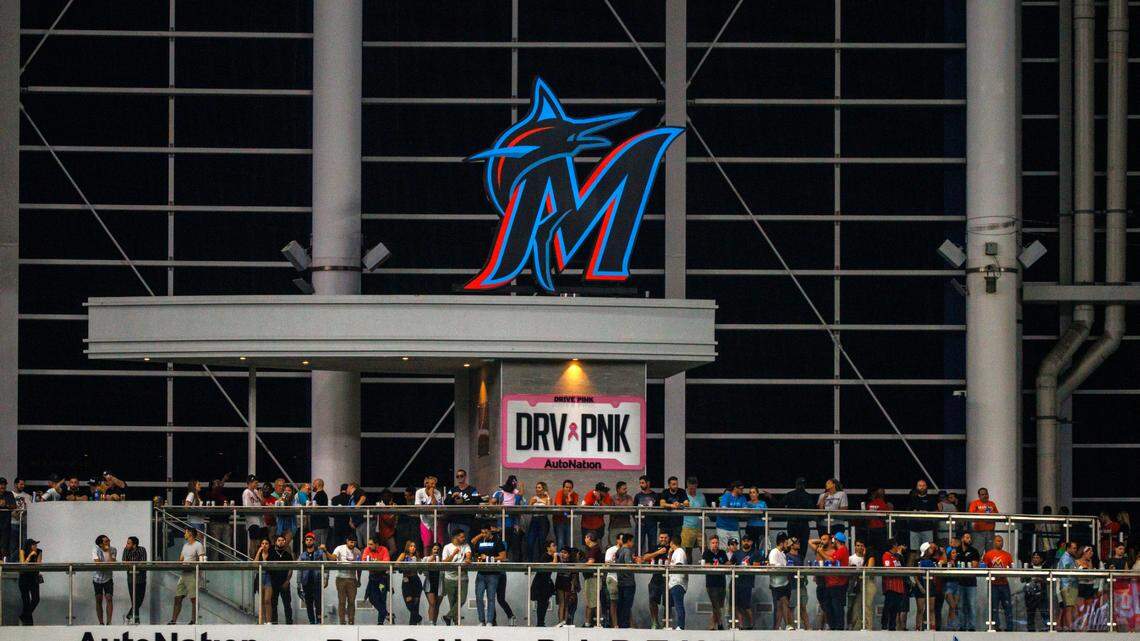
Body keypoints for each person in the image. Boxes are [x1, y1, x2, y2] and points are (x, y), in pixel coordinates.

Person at [809, 531, 849, 630]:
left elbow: (831, 560)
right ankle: (833, 627)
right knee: (828, 607)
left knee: (836, 608)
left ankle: (838, 629)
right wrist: (823, 542)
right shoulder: (833, 549)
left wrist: (821, 550)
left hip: (837, 583)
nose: (822, 541)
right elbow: (810, 542)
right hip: (829, 583)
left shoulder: (839, 550)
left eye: (825, 539)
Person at [470, 522, 507, 626]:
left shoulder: (497, 541)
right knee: (478, 596)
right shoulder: (480, 541)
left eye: (486, 532)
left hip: (493, 573)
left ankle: (490, 621)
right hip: (481, 573)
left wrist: (488, 558)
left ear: (490, 530)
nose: (484, 534)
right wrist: (481, 535)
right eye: (482, 532)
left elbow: (503, 556)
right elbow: (472, 542)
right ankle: (481, 620)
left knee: (491, 598)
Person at [170, 528, 205, 624]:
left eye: (185, 532)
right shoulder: (185, 545)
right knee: (178, 597)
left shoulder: (198, 545)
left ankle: (194, 620)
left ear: (190, 533)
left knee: (193, 598)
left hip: (192, 573)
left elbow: (202, 559)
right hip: (184, 573)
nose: (184, 534)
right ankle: (173, 620)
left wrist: (199, 575)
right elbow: (181, 559)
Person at [980, 534, 1014, 630]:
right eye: (998, 541)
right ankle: (996, 626)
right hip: (993, 584)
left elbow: (1011, 568)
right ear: (994, 542)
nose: (1000, 542)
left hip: (1004, 583)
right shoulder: (988, 554)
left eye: (1001, 541)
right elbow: (984, 567)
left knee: (1007, 606)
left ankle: (1010, 627)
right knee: (993, 607)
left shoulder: (1007, 555)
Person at [641, 530, 672, 628]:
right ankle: (655, 622)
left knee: (668, 603)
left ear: (669, 539)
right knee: (652, 600)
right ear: (659, 538)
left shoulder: (672, 548)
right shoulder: (654, 547)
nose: (663, 539)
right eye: (661, 537)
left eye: (665, 537)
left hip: (668, 579)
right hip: (656, 578)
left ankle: (666, 623)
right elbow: (645, 558)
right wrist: (658, 552)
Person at [730, 534, 762, 629]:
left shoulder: (755, 553)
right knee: (736, 605)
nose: (746, 542)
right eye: (744, 541)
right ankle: (740, 625)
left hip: (747, 582)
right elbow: (730, 564)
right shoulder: (737, 553)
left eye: (748, 541)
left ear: (751, 542)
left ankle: (752, 624)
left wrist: (749, 565)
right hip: (736, 581)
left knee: (746, 606)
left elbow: (758, 565)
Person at [441, 529, 471, 625]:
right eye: (461, 537)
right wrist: (454, 554)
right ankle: (455, 623)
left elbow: (468, 555)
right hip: (450, 578)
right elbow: (444, 562)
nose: (464, 538)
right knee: (452, 602)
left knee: (462, 599)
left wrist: (468, 559)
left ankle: (448, 617)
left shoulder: (465, 546)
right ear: (455, 537)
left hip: (463, 577)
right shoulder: (447, 547)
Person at [331, 534, 362, 624]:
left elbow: (359, 568)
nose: (352, 544)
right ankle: (342, 621)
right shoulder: (339, 548)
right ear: (347, 541)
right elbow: (333, 558)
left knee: (351, 601)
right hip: (341, 577)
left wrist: (358, 579)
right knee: (342, 601)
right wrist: (326, 551)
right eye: (351, 542)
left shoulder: (358, 552)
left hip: (352, 579)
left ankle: (351, 620)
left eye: (354, 542)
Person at [954, 531, 981, 631]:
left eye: (970, 538)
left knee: (971, 605)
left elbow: (975, 565)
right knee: (960, 605)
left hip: (971, 583)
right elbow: (953, 563)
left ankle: (972, 626)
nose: (969, 539)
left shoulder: (974, 551)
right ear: (962, 539)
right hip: (960, 582)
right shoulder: (957, 550)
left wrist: (962, 563)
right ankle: (962, 626)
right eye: (967, 537)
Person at [847, 538, 876, 631]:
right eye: (858, 545)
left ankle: (868, 627)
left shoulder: (869, 558)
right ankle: (856, 627)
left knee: (866, 606)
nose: (860, 548)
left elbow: (869, 570)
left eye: (862, 546)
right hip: (857, 585)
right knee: (855, 607)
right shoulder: (852, 558)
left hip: (867, 584)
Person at [782, 477, 815, 560]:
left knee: (792, 545)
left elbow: (780, 504)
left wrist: (771, 497)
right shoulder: (807, 496)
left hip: (793, 525)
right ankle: (799, 564)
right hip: (802, 526)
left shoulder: (790, 494)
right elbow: (812, 511)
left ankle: (792, 565)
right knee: (802, 547)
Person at [297, 532, 326, 624]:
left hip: (317, 581)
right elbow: (299, 570)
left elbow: (326, 566)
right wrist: (298, 584)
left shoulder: (320, 553)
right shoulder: (302, 555)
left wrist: (326, 578)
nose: (309, 542)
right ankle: (311, 621)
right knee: (308, 604)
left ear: (314, 541)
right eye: (307, 540)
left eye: (310, 540)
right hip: (306, 582)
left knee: (318, 603)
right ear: (305, 542)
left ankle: (319, 620)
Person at [361, 535, 391, 624]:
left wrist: (373, 562)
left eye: (371, 544)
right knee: (372, 598)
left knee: (382, 599)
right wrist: (377, 563)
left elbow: (386, 562)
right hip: (373, 577)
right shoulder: (367, 549)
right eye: (368, 544)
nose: (369, 546)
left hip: (382, 578)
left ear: (377, 544)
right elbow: (363, 561)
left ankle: (380, 623)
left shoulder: (384, 549)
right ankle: (386, 614)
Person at [444, 469, 480, 539]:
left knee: (464, 540)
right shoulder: (452, 490)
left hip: (466, 520)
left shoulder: (472, 490)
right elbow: (446, 503)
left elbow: (475, 503)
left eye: (461, 476)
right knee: (454, 541)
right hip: (454, 520)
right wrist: (452, 497)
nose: (459, 477)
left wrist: (462, 501)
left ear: (465, 477)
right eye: (457, 476)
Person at [267, 534, 295, 624]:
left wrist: (287, 581)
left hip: (285, 583)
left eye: (283, 540)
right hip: (273, 583)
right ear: (276, 542)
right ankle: (274, 623)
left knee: (287, 604)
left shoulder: (288, 555)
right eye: (279, 540)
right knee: (273, 604)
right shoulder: (271, 554)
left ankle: (289, 623)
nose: (281, 542)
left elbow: (291, 569)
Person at [880, 538, 907, 630]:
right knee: (888, 606)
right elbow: (889, 569)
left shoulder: (897, 556)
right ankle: (884, 625)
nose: (898, 547)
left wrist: (900, 555)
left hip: (899, 586)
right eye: (897, 545)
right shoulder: (886, 555)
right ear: (893, 546)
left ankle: (892, 626)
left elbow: (903, 567)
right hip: (891, 586)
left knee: (896, 608)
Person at [907, 479, 938, 558]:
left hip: (927, 528)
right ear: (917, 487)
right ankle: (916, 569)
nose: (922, 487)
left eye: (923, 485)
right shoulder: (912, 499)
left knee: (928, 551)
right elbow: (907, 512)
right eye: (920, 486)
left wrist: (926, 513)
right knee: (915, 552)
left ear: (926, 487)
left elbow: (936, 512)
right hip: (914, 529)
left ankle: (927, 567)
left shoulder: (931, 499)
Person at [396, 539, 424, 624]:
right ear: (408, 547)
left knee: (416, 604)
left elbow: (420, 571)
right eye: (411, 546)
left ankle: (413, 624)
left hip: (415, 579)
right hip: (407, 580)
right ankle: (417, 617)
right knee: (409, 601)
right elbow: (396, 564)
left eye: (414, 546)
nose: (413, 548)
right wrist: (404, 564)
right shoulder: (403, 555)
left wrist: (419, 563)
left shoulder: (417, 556)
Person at [768, 533, 792, 630]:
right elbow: (773, 566)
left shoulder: (783, 554)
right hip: (777, 584)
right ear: (781, 543)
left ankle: (776, 627)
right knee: (784, 603)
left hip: (784, 583)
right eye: (786, 543)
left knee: (779, 608)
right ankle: (788, 625)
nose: (787, 545)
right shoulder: (774, 552)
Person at [581, 530, 605, 626]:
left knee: (594, 601)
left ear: (589, 538)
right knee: (590, 600)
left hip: (593, 578)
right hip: (590, 578)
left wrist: (580, 566)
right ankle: (589, 622)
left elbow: (591, 562)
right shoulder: (591, 549)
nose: (584, 539)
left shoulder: (594, 549)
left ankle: (597, 623)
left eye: (585, 537)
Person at [531, 540, 558, 626]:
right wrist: (555, 556)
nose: (555, 547)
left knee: (545, 603)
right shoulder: (545, 556)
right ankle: (540, 622)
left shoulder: (553, 556)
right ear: (548, 548)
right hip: (540, 583)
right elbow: (553, 565)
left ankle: (541, 621)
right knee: (541, 603)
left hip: (546, 582)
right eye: (553, 545)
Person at [92, 534, 116, 624]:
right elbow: (97, 563)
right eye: (106, 541)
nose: (108, 542)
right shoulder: (95, 549)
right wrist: (106, 565)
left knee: (109, 597)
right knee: (98, 598)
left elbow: (112, 563)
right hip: (97, 578)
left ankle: (109, 622)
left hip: (108, 578)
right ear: (100, 544)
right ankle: (101, 622)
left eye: (109, 540)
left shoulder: (113, 550)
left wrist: (108, 551)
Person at [613, 533, 637, 628]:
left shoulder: (619, 550)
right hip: (628, 582)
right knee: (627, 606)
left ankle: (620, 624)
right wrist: (635, 563)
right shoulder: (627, 551)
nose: (633, 543)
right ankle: (625, 626)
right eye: (632, 541)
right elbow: (629, 565)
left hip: (620, 581)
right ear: (629, 541)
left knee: (621, 605)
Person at [122, 536, 148, 624]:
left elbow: (143, 562)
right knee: (134, 600)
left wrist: (132, 564)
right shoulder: (126, 550)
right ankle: (136, 619)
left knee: (139, 600)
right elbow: (124, 562)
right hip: (131, 578)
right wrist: (134, 564)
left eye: (128, 543)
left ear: (134, 544)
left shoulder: (142, 550)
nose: (126, 545)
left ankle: (128, 616)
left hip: (141, 578)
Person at [414, 476, 443, 552]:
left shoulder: (437, 493)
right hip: (425, 521)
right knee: (427, 544)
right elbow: (417, 507)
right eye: (432, 484)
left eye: (435, 484)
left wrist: (432, 495)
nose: (434, 486)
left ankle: (438, 561)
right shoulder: (419, 492)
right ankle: (426, 561)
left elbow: (438, 508)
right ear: (426, 484)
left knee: (439, 544)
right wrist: (430, 508)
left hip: (435, 520)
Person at [18, 538, 42, 625]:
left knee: (36, 599)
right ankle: (28, 624)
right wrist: (30, 556)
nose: (36, 546)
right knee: (26, 602)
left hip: (33, 577)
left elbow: (39, 565)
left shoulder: (39, 551)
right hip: (24, 577)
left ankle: (24, 616)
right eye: (34, 545)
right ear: (29, 546)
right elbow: (22, 564)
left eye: (36, 545)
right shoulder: (22, 551)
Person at [666, 535, 688, 629]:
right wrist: (670, 555)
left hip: (678, 582)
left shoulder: (679, 551)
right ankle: (678, 625)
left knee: (679, 604)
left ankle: (681, 625)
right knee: (676, 604)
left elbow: (678, 564)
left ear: (672, 543)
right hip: (674, 582)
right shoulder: (675, 552)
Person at [555, 546, 581, 626]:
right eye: (562, 552)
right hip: (560, 582)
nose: (563, 554)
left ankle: (565, 622)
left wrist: (573, 587)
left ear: (569, 554)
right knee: (561, 603)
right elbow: (554, 565)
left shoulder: (571, 563)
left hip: (567, 583)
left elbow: (574, 576)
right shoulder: (559, 560)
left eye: (565, 553)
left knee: (566, 604)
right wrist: (556, 556)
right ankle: (560, 621)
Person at [527, 481, 552, 561]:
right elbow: (528, 510)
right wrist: (531, 504)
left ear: (543, 489)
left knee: (541, 542)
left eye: (539, 487)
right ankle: (529, 564)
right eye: (536, 487)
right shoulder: (533, 498)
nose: (537, 489)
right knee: (530, 542)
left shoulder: (548, 498)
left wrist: (547, 497)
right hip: (534, 520)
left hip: (543, 520)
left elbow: (549, 508)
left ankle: (542, 562)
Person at [967, 487, 999, 553]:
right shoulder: (974, 503)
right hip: (978, 532)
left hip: (990, 531)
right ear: (979, 496)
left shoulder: (992, 504)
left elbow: (997, 515)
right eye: (983, 494)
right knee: (977, 551)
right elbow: (971, 515)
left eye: (986, 494)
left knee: (990, 551)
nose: (985, 496)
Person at [658, 476, 688, 541]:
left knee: (675, 543)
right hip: (665, 523)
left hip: (677, 523)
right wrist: (672, 505)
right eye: (673, 484)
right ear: (669, 485)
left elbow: (687, 503)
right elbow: (662, 504)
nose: (676, 486)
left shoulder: (682, 491)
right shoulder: (665, 492)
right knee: (664, 543)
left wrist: (680, 504)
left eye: (677, 484)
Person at [1024, 551, 1048, 631]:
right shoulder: (1028, 568)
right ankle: (1030, 630)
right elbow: (1022, 579)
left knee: (1044, 612)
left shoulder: (1045, 568)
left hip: (1042, 594)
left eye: (1037, 558)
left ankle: (1048, 627)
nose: (1035, 559)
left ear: (1041, 559)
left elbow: (1048, 580)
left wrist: (1041, 579)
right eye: (1034, 558)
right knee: (1030, 613)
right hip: (1030, 594)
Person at [634, 476, 659, 553]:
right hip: (641, 523)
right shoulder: (638, 496)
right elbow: (634, 510)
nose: (641, 485)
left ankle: (651, 561)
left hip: (652, 523)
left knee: (653, 544)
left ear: (648, 483)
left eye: (643, 483)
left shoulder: (655, 495)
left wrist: (657, 520)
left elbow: (659, 509)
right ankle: (638, 561)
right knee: (639, 544)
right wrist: (637, 521)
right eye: (640, 483)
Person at [863, 487, 890, 559]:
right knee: (881, 551)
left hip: (871, 530)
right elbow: (887, 518)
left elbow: (866, 519)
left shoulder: (869, 504)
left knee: (871, 550)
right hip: (880, 530)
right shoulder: (884, 504)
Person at [553, 479, 578, 552]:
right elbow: (559, 506)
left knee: (569, 541)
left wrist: (570, 498)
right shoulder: (560, 493)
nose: (568, 489)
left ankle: (568, 559)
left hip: (569, 521)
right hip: (558, 521)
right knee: (560, 541)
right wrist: (566, 512)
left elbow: (575, 507)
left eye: (570, 487)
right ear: (563, 487)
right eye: (566, 487)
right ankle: (560, 560)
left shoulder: (575, 495)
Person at [252, 538, 273, 623]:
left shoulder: (271, 554)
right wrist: (258, 552)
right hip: (260, 576)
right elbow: (254, 564)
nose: (264, 545)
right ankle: (262, 620)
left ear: (269, 545)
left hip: (268, 576)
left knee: (267, 600)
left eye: (266, 543)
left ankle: (268, 621)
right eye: (263, 543)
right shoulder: (259, 554)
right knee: (261, 601)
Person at [241, 475, 263, 555]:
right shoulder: (246, 492)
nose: (257, 484)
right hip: (252, 521)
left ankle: (256, 560)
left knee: (259, 543)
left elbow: (263, 504)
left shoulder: (256, 492)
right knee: (254, 542)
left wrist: (261, 496)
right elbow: (247, 508)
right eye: (255, 483)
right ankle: (252, 560)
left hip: (259, 521)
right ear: (250, 483)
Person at [423, 542, 443, 624]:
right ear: (431, 550)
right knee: (432, 603)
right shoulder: (426, 558)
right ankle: (430, 622)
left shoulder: (442, 559)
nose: (436, 551)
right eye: (435, 549)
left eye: (438, 550)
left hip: (439, 583)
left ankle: (434, 622)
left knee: (437, 605)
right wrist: (431, 560)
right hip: (429, 583)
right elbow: (423, 571)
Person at [610, 481, 635, 546]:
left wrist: (617, 510)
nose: (626, 491)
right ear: (618, 489)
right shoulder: (612, 498)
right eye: (624, 489)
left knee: (628, 546)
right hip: (614, 526)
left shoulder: (628, 497)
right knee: (614, 546)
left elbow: (630, 508)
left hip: (626, 525)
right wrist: (623, 510)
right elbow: (611, 510)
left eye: (626, 489)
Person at [309, 478, 330, 548]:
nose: (312, 486)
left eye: (313, 484)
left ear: (317, 485)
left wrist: (311, 505)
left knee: (319, 547)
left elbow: (319, 507)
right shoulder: (320, 494)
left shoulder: (321, 494)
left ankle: (322, 559)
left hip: (320, 525)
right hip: (318, 525)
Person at [0, 477, 15, 561]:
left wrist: (6, 504)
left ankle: (3, 565)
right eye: (1, 484)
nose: (2, 486)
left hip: (5, 524)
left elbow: (14, 506)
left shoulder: (9, 494)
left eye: (4, 484)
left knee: (4, 545)